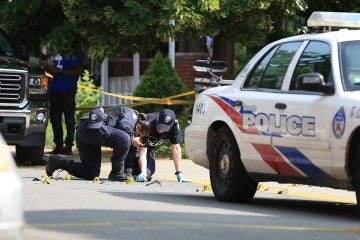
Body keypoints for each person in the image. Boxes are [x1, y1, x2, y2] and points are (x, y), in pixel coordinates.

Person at [46, 107, 150, 181]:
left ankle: (57, 162)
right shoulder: (131, 115)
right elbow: (124, 126)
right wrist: (132, 138)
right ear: (138, 127)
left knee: (91, 173)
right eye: (140, 135)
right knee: (125, 138)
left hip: (85, 132)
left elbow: (126, 151)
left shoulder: (132, 125)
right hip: (91, 129)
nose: (139, 138)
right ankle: (116, 173)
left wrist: (129, 171)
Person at [125, 109, 191, 182]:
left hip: (147, 150)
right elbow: (142, 149)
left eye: (164, 128)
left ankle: (146, 162)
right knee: (129, 174)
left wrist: (179, 172)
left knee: (146, 176)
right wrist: (142, 171)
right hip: (135, 148)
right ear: (157, 118)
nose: (161, 129)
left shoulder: (174, 126)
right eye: (160, 126)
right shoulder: (148, 123)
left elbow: (176, 149)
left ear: (171, 124)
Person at [44, 50, 84, 156]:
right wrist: (49, 71)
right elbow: (55, 72)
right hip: (54, 90)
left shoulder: (75, 53)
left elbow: (78, 71)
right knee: (55, 119)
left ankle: (68, 146)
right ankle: (58, 146)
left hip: (68, 90)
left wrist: (59, 70)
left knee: (69, 118)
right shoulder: (57, 53)